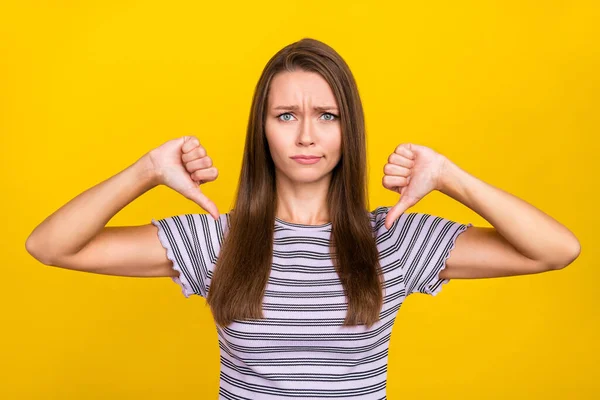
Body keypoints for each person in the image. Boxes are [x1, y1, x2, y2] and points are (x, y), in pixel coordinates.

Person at [25, 38, 580, 399]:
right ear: (262, 131)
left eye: (327, 115)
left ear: (349, 129)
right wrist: (146, 170)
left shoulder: (393, 237)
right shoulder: (216, 238)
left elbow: (556, 250)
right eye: (286, 115)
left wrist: (450, 178)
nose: (307, 135)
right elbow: (51, 246)